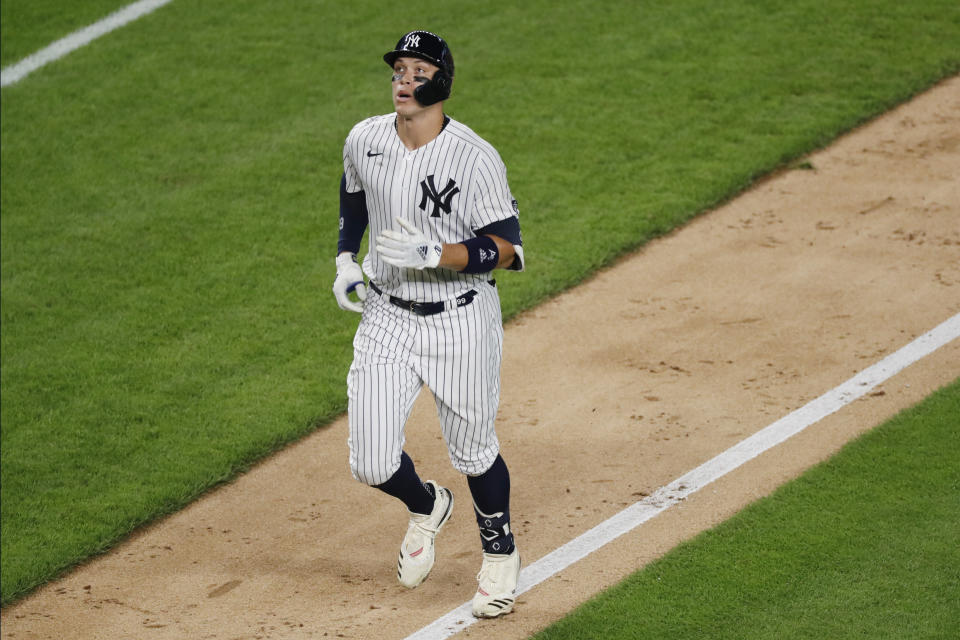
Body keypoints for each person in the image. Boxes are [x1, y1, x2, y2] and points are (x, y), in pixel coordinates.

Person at [331, 30, 526, 618]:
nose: (404, 80)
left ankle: (500, 553)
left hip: (460, 321)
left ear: (441, 82)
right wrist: (345, 257)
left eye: (418, 71)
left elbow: (510, 251)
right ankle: (426, 504)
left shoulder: (474, 156)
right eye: (399, 69)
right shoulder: (365, 138)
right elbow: (354, 197)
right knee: (369, 460)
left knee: (472, 451)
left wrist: (436, 253)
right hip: (387, 315)